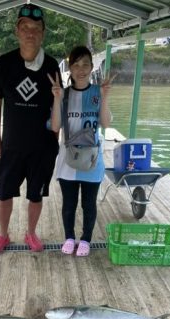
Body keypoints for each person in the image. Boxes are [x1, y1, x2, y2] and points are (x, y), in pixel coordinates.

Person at [0, 3, 60, 253]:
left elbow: (57, 106)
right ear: (17, 31)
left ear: (43, 33)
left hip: (42, 147)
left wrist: (55, 141)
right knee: (3, 193)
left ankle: (31, 233)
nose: (31, 32)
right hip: (11, 145)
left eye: (36, 28)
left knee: (36, 195)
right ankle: (3, 234)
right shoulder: (4, 64)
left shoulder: (52, 66)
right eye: (26, 27)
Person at [48, 46, 113, 257]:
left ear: (92, 67)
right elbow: (55, 126)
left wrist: (105, 96)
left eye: (86, 64)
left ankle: (85, 239)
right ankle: (69, 237)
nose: (81, 69)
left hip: (92, 159)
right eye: (76, 64)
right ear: (70, 68)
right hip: (68, 158)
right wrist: (56, 98)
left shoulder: (97, 91)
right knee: (69, 203)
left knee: (88, 204)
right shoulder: (63, 93)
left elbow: (104, 122)